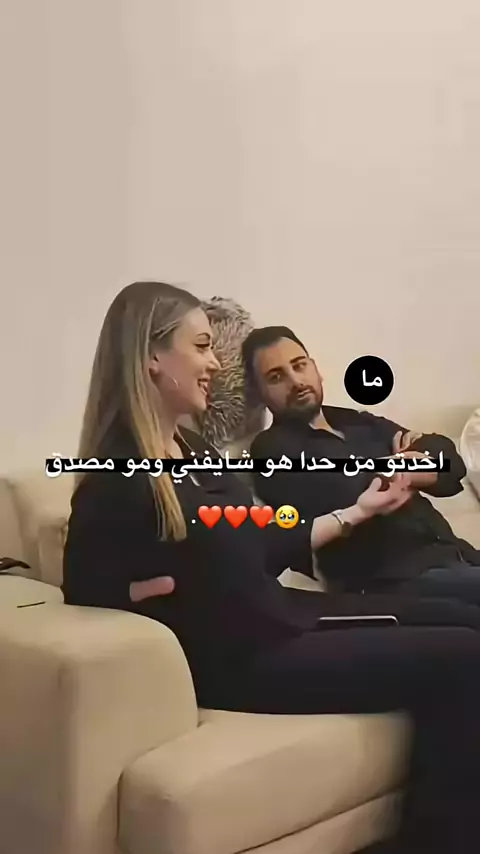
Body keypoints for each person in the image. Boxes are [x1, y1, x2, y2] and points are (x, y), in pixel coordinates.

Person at [64, 281, 480, 854]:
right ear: (152, 356)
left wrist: (358, 510)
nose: (215, 364)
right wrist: (135, 594)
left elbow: (263, 539)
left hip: (281, 614)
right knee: (463, 656)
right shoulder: (117, 472)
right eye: (201, 346)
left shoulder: (193, 450)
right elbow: (83, 589)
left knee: (466, 622)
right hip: (243, 654)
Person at [244, 325, 480, 605]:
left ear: (315, 368)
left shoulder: (356, 420)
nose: (296, 381)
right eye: (276, 377)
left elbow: (450, 461)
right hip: (392, 583)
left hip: (456, 555)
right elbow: (349, 490)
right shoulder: (270, 450)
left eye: (299, 365)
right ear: (259, 394)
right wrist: (407, 466)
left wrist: (412, 471)